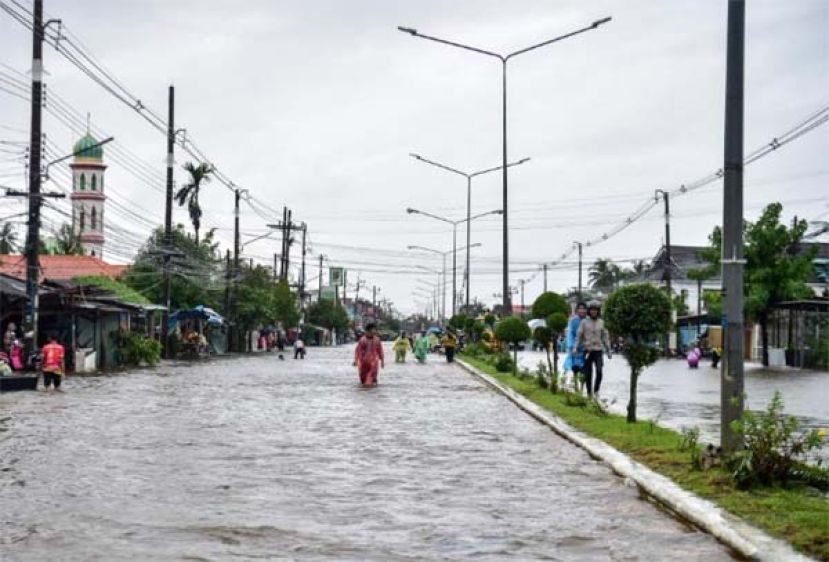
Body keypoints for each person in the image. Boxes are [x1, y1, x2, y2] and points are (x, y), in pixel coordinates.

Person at [577, 301, 611, 397]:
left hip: (598, 351)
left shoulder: (602, 323)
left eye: (595, 310)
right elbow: (579, 335)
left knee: (599, 371)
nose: (593, 312)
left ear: (598, 311)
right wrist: (575, 347)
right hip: (587, 350)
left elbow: (605, 337)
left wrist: (609, 350)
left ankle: (596, 390)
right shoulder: (584, 322)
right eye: (592, 310)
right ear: (589, 311)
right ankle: (589, 394)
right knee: (588, 374)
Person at [563, 302, 587, 391]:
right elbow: (570, 334)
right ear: (577, 310)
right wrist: (572, 346)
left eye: (583, 308)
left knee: (585, 369)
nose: (582, 310)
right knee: (575, 368)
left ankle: (582, 388)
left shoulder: (588, 320)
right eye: (580, 308)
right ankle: (576, 386)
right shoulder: (573, 321)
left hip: (586, 348)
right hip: (575, 349)